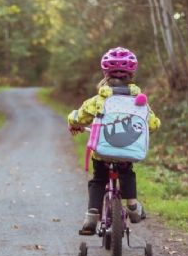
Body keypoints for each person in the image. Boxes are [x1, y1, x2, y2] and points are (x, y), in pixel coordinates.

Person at [67, 47, 161, 235]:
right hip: (127, 153)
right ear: (132, 74)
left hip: (102, 153)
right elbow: (152, 123)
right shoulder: (139, 100)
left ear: (105, 73)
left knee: (98, 179)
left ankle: (92, 215)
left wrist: (73, 121)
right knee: (127, 172)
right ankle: (133, 206)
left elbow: (80, 116)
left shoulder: (99, 100)